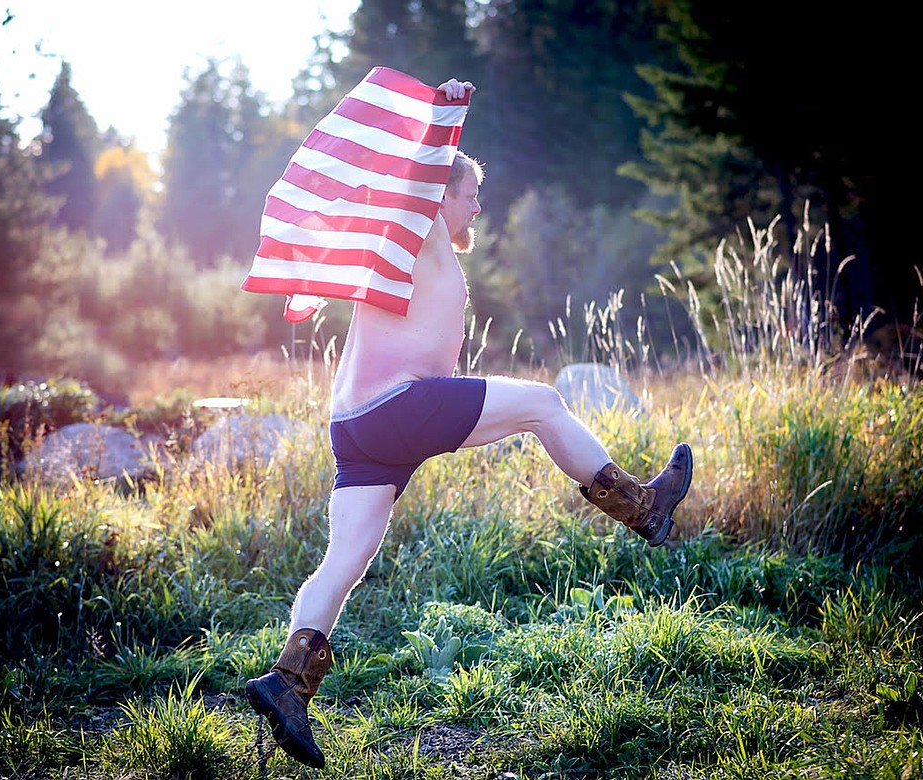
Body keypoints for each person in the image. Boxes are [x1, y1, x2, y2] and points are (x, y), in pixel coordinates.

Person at [244, 78, 693, 769]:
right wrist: (447, 116)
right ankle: (645, 507)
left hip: (358, 428)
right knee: (544, 403)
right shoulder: (419, 231)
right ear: (443, 195)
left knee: (346, 560)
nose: (478, 204)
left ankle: (289, 683)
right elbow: (421, 177)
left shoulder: (408, 253)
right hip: (397, 409)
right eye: (471, 192)